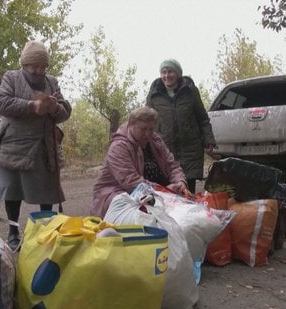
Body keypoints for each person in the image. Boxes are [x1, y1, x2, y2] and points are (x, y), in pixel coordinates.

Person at [0, 40, 72, 250]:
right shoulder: (11, 78)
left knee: (46, 191)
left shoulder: (52, 82)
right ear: (25, 64)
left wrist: (55, 108)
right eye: (34, 66)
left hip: (43, 146)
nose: (39, 70)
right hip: (13, 146)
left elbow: (65, 111)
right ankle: (13, 232)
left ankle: (44, 231)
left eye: (42, 66)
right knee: (13, 191)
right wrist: (31, 106)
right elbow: (0, 102)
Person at [90, 106, 188, 218]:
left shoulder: (155, 140)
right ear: (131, 125)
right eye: (143, 129)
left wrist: (180, 182)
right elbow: (131, 182)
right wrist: (164, 191)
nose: (148, 134)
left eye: (151, 129)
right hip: (120, 195)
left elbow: (172, 165)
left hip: (155, 194)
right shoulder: (119, 147)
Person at [146, 59, 216, 193]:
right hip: (165, 148)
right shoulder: (154, 94)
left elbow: (202, 118)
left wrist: (209, 140)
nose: (166, 76)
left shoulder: (190, 91)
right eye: (163, 72)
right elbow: (148, 119)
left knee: (188, 191)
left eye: (170, 71)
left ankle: (192, 213)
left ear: (177, 73)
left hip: (190, 148)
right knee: (170, 191)